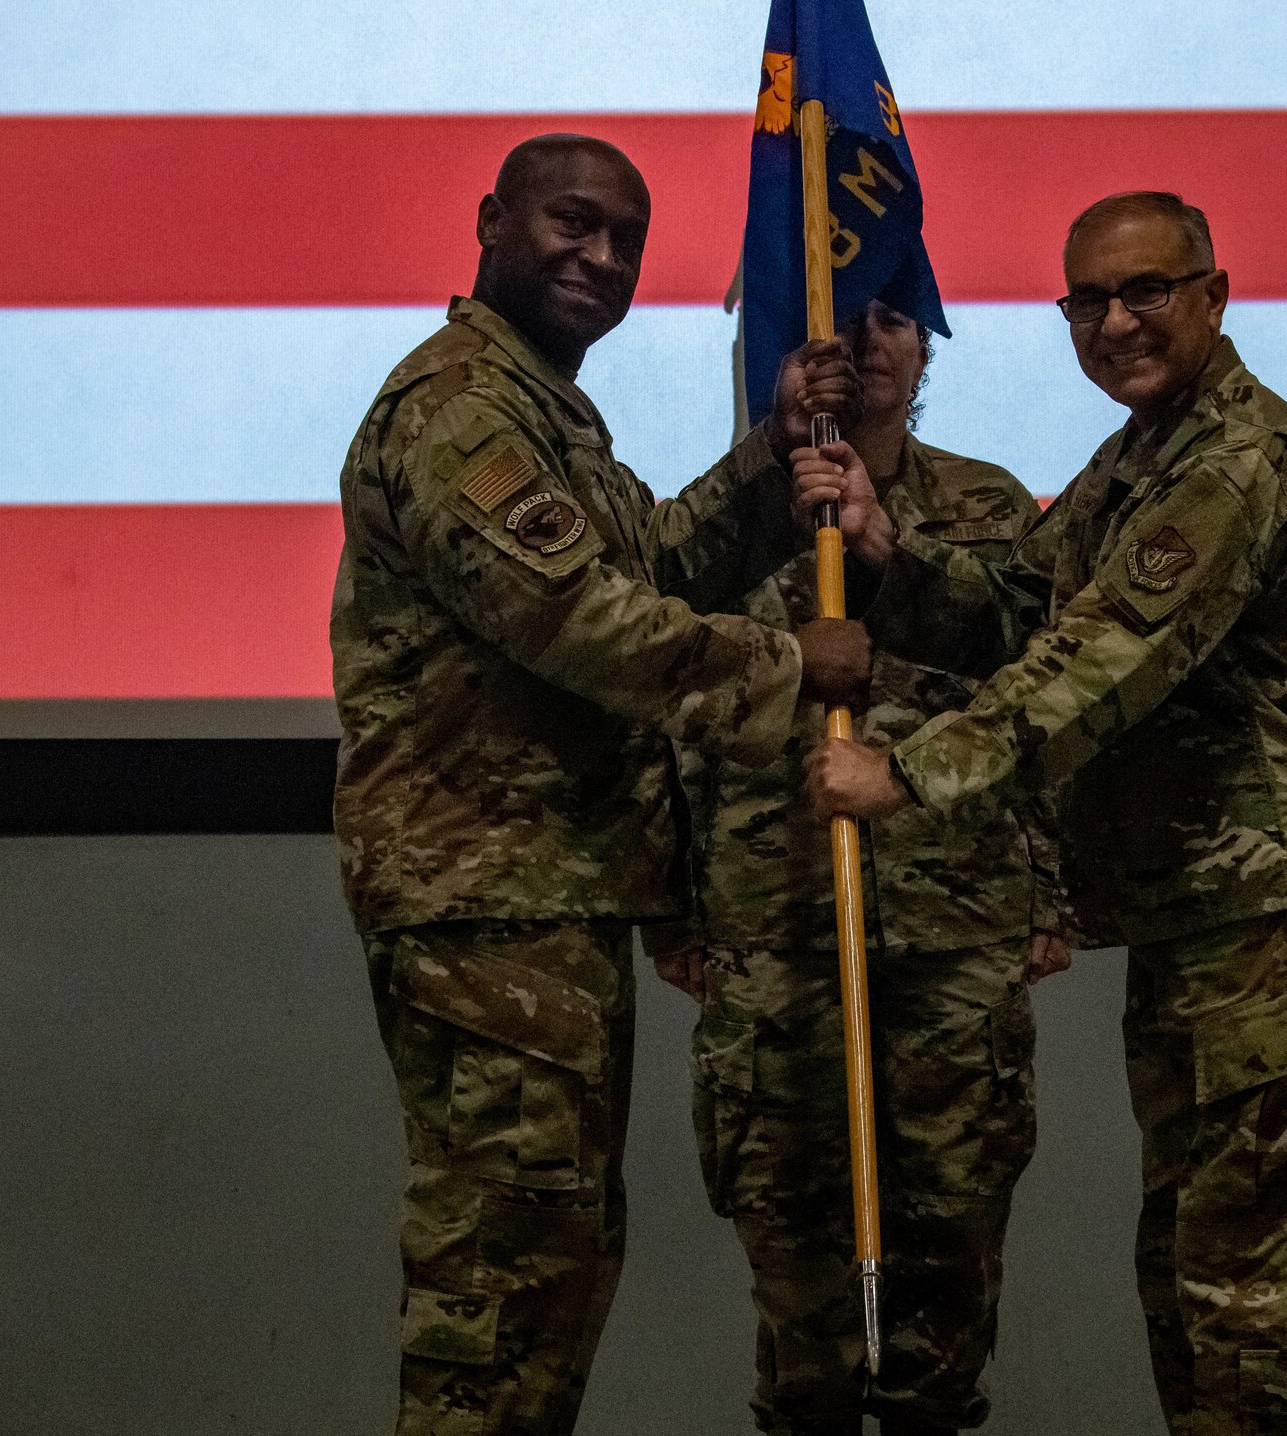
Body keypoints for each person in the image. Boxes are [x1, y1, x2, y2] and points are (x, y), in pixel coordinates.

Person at [795, 192, 1287, 1435]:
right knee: (1200, 1308)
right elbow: (1021, 601)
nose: (1117, 321)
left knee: (1266, 1334)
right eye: (1089, 300)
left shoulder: (1237, 462)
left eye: (1148, 291)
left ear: (1214, 296)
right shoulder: (1141, 458)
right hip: (1205, 937)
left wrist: (905, 776)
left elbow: (1095, 663)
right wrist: (884, 551)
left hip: (1286, 941)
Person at [330, 133, 870, 1436]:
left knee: (548, 1273)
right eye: (573, 224)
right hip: (488, 904)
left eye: (625, 240)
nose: (602, 258)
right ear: (490, 221)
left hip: (544, 901)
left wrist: (768, 447)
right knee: (499, 1291)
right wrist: (795, 660)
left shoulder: (547, 412)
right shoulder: (460, 405)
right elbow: (581, 621)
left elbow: (654, 564)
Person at [649, 299, 1075, 1436]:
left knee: (941, 1294)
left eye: (894, 317)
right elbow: (647, 698)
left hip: (953, 934)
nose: (866, 343)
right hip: (771, 930)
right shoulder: (731, 518)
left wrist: (1049, 890)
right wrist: (668, 905)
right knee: (802, 1311)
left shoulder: (985, 503)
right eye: (842, 318)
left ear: (926, 345)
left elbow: (1052, 685)